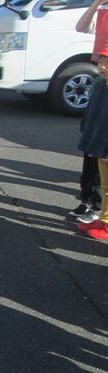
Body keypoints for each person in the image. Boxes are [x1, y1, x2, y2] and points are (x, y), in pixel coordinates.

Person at [71, 0, 108, 222]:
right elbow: (81, 26)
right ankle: (88, 199)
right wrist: (98, 0)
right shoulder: (104, 10)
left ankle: (98, 205)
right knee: (91, 140)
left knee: (102, 145)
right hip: (100, 77)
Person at [76, 47, 108, 240]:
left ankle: (106, 222)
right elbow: (92, 115)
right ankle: (103, 219)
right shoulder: (100, 85)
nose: (102, 67)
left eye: (107, 63)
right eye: (101, 62)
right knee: (104, 185)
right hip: (97, 143)